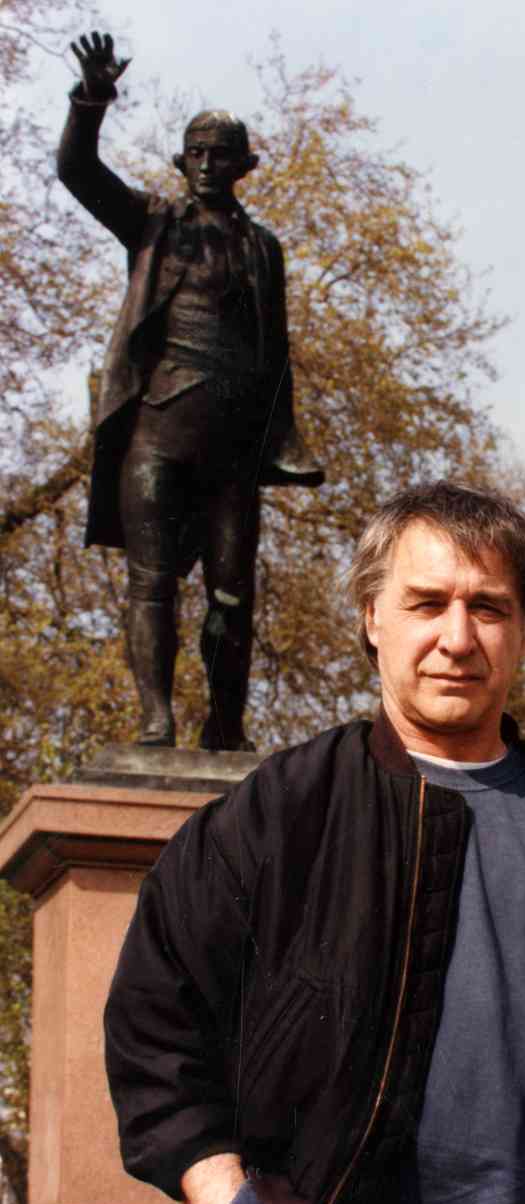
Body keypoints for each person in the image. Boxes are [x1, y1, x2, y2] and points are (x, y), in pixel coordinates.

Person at [104, 481, 525, 1204]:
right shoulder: (282, 811)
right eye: (427, 604)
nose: (458, 638)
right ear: (373, 617)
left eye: (490, 608)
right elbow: (155, 1024)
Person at [57, 32, 324, 751]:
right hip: (156, 436)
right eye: (196, 154)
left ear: (244, 166)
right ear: (183, 162)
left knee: (233, 599)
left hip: (232, 448)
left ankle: (225, 724)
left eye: (220, 155)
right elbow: (77, 170)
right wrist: (92, 99)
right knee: (152, 584)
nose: (207, 165)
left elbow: (276, 353)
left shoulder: (263, 247)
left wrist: (283, 438)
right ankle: (155, 719)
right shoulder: (153, 223)